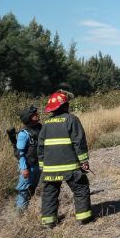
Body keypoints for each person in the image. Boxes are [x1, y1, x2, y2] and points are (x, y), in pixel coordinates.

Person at [38, 89, 93, 227]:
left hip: (50, 168)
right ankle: (83, 218)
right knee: (81, 189)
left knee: (49, 194)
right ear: (66, 106)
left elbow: (40, 146)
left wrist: (42, 166)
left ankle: (49, 221)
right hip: (70, 167)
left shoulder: (46, 124)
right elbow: (78, 142)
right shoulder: (71, 119)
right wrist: (84, 161)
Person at [15, 105, 42, 212]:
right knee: (24, 191)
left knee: (33, 190)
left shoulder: (40, 128)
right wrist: (23, 168)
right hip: (28, 168)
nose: (37, 115)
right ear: (29, 117)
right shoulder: (23, 134)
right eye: (34, 114)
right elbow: (20, 153)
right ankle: (20, 214)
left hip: (38, 166)